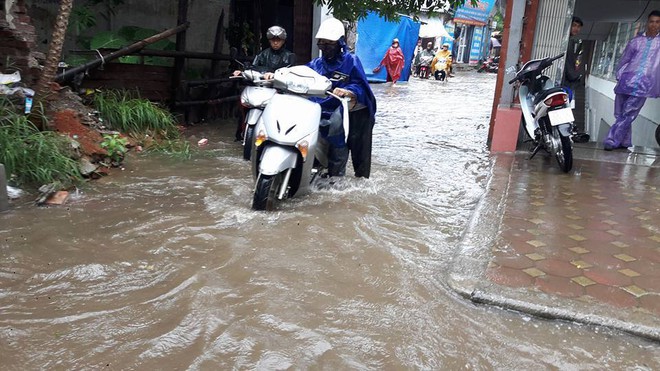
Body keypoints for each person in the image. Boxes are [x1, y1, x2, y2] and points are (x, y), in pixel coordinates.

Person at [307, 18, 377, 178]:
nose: (325, 48)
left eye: (329, 44)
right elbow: (300, 73)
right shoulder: (316, 64)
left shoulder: (351, 61)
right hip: (329, 111)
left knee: (361, 154)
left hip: (356, 112)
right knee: (332, 145)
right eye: (322, 44)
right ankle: (328, 176)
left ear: (339, 43)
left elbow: (360, 85)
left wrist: (348, 91)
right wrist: (277, 73)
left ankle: (356, 187)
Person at [603, 10, 660, 151]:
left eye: (657, 22)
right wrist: (620, 76)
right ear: (647, 22)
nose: (654, 24)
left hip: (644, 85)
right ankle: (625, 141)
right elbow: (624, 60)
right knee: (620, 113)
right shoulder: (636, 41)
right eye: (652, 21)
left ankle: (612, 140)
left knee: (628, 113)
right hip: (625, 81)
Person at [233, 25, 295, 140]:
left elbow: (290, 71)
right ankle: (240, 133)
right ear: (269, 41)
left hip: (278, 89)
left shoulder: (288, 56)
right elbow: (253, 67)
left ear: (283, 41)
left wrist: (277, 75)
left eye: (278, 40)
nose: (275, 43)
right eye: (273, 40)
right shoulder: (263, 54)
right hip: (261, 87)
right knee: (242, 105)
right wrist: (242, 71)